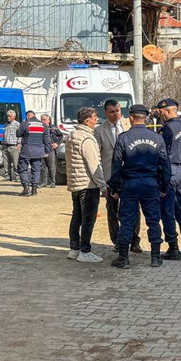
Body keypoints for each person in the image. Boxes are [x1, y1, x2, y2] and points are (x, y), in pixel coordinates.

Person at [108, 104, 171, 269]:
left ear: (131, 117)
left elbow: (116, 166)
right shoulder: (157, 138)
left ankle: (123, 257)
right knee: (153, 221)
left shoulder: (123, 138)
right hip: (151, 184)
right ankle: (155, 256)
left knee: (127, 220)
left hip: (130, 184)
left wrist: (114, 188)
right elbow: (165, 165)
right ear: (146, 118)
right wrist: (164, 186)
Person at [95, 99, 142, 253]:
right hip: (110, 177)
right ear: (106, 113)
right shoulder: (100, 130)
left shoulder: (130, 125)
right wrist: (103, 182)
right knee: (112, 211)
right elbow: (98, 157)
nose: (116, 114)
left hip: (131, 176)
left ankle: (135, 241)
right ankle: (117, 240)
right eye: (112, 112)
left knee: (134, 209)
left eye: (118, 111)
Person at [65, 106, 107, 263]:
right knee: (88, 219)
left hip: (76, 183)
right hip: (88, 185)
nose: (96, 121)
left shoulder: (72, 135)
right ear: (88, 120)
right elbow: (94, 165)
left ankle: (74, 248)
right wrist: (103, 186)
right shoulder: (87, 139)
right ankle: (85, 250)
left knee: (77, 217)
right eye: (95, 119)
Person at [157, 98, 181, 260]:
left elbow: (162, 154)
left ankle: (173, 246)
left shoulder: (167, 129)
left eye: (161, 113)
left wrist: (160, 178)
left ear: (167, 111)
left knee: (167, 211)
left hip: (169, 171)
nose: (160, 116)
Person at [16, 110, 51, 196]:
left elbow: (18, 134)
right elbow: (47, 140)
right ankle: (34, 189)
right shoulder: (43, 125)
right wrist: (47, 151)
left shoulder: (25, 124)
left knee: (22, 169)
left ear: (27, 116)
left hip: (26, 150)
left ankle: (25, 188)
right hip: (38, 151)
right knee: (36, 170)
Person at [40, 114, 63, 188]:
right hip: (41, 149)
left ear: (48, 120)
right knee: (42, 167)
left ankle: (53, 182)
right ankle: (43, 182)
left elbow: (61, 136)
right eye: (42, 119)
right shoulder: (39, 128)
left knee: (51, 167)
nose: (42, 121)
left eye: (44, 119)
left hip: (51, 149)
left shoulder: (53, 128)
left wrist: (57, 143)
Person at [2, 109, 21, 182]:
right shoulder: (6, 124)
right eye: (7, 116)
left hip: (14, 146)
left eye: (9, 116)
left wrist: (19, 144)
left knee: (16, 162)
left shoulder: (17, 124)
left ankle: (17, 176)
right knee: (6, 162)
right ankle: (7, 176)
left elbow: (20, 135)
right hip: (5, 145)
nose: (8, 117)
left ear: (14, 116)